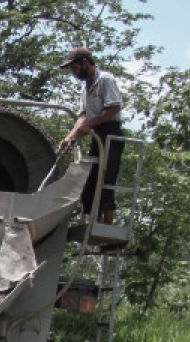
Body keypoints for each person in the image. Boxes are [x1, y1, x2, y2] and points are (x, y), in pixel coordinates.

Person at [58, 47, 124, 225]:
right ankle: (92, 221)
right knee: (90, 179)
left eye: (74, 68)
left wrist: (91, 124)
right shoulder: (84, 88)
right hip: (97, 135)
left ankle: (107, 225)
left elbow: (114, 108)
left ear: (85, 63)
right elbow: (82, 117)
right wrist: (70, 137)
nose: (73, 73)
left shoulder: (105, 80)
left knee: (106, 177)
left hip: (111, 132)